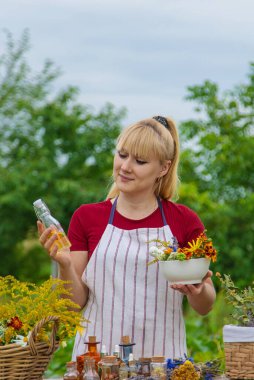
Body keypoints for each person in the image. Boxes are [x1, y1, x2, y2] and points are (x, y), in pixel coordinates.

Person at [37, 116, 216, 360]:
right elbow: (73, 304)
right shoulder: (87, 217)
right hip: (97, 363)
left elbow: (205, 305)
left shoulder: (184, 221)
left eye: (140, 161)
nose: (125, 167)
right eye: (122, 155)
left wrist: (197, 291)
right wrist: (64, 264)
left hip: (163, 364)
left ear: (163, 168)